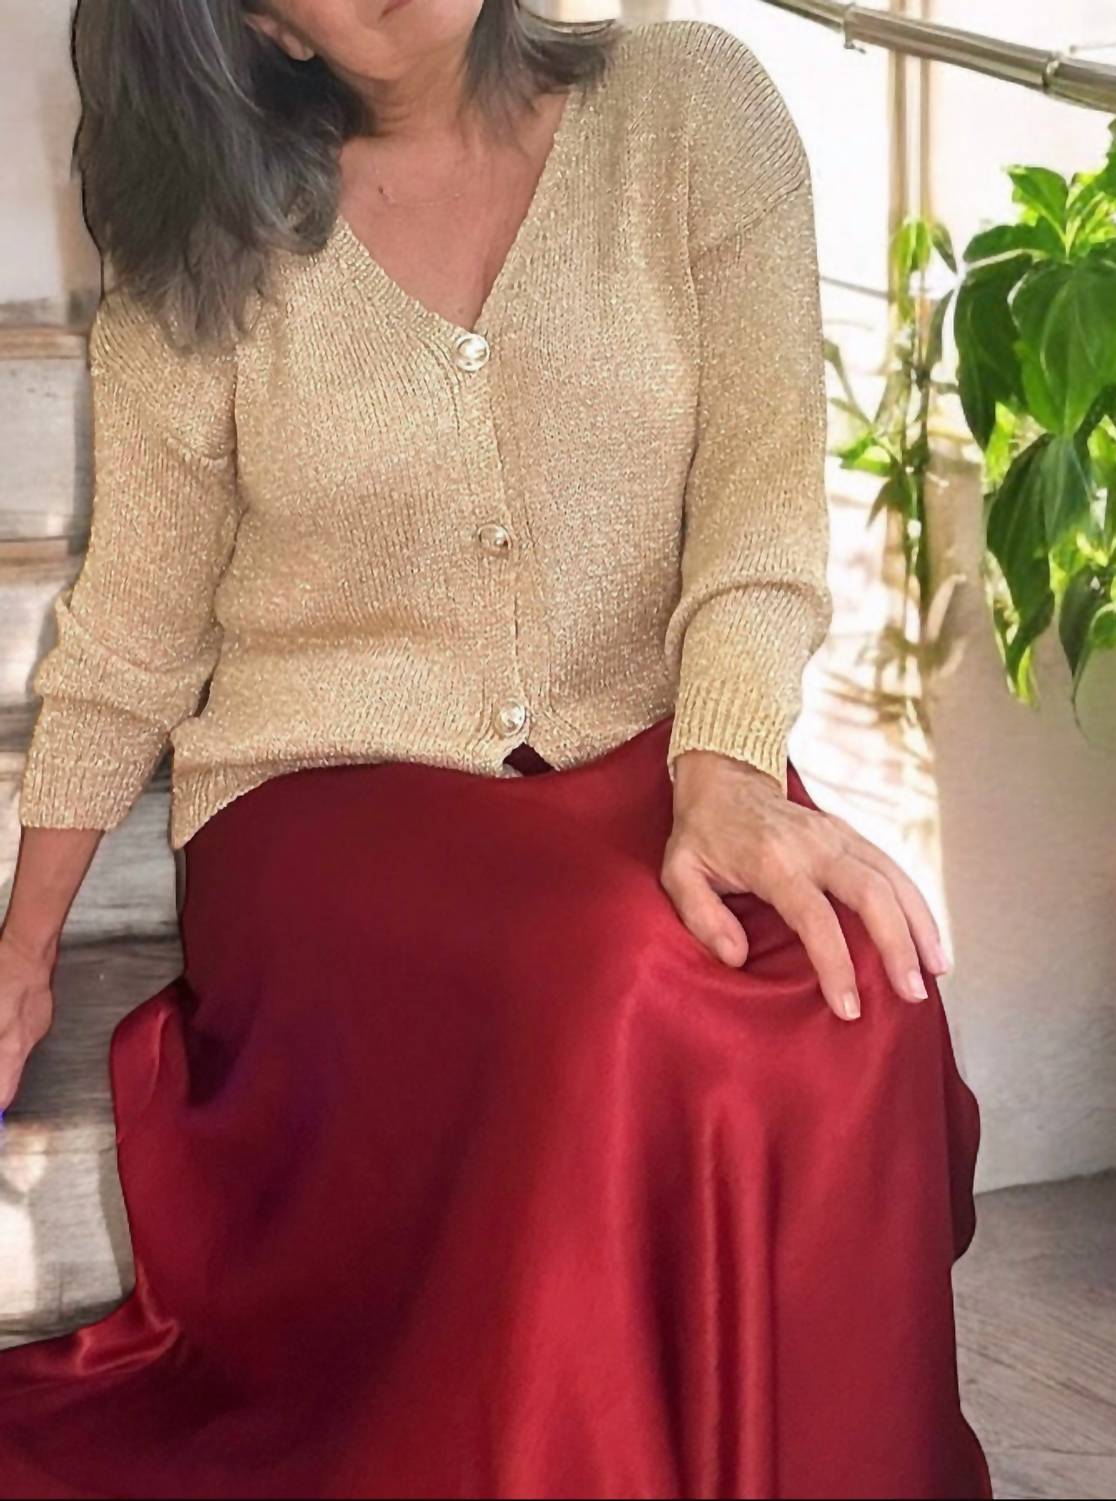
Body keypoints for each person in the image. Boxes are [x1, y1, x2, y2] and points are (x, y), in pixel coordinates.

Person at [0, 2, 991, 1497]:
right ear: (264, 25)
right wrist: (26, 951)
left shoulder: (693, 109)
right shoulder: (213, 258)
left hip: (657, 759)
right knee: (605, 978)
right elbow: (133, 634)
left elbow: (761, 509)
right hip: (322, 799)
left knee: (860, 987)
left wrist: (727, 770)